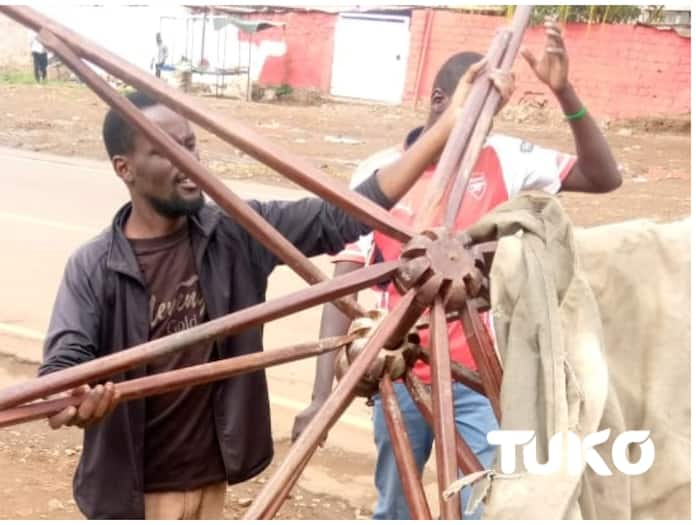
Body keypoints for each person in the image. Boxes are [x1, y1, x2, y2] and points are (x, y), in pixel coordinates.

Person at [39, 60, 513, 519]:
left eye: (191, 145)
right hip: (132, 494)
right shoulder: (94, 266)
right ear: (125, 168)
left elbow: (341, 215)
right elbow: (60, 376)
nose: (190, 163)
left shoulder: (236, 230)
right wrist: (78, 399)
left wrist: (448, 126)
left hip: (210, 482)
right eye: (166, 151)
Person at [291, 19, 622, 520]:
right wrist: (322, 396)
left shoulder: (507, 159)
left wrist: (564, 90)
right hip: (400, 377)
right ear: (441, 99)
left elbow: (604, 177)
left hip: (480, 381)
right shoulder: (381, 175)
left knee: (485, 507)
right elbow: (345, 278)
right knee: (397, 505)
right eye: (479, 109)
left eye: (495, 114)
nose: (486, 126)